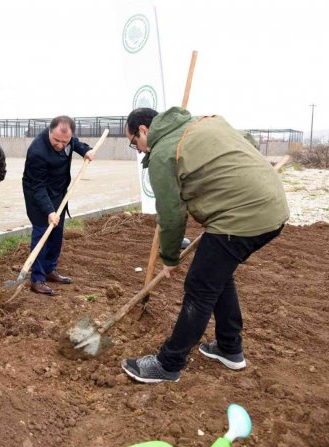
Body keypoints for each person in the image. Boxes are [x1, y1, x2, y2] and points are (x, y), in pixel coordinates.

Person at [121, 107, 289, 383]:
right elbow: (248, 141)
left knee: (199, 287)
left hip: (242, 218)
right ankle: (228, 347)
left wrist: (170, 258)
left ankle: (168, 364)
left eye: (134, 143)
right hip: (271, 206)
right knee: (217, 275)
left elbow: (173, 215)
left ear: (143, 130)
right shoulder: (205, 122)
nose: (138, 150)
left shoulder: (163, 154)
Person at [22, 116, 95, 295]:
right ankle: (37, 279)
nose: (61, 145)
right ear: (49, 131)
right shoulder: (37, 151)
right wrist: (49, 211)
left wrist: (86, 151)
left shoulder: (67, 140)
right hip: (38, 195)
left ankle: (49, 270)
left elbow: (75, 144)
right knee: (42, 234)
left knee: (56, 233)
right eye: (56, 140)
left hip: (59, 193)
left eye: (64, 141)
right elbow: (37, 186)